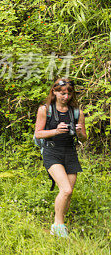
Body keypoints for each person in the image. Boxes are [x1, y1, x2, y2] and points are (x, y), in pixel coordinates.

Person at [34, 78, 87, 238]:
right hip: (51, 152)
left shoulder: (77, 112)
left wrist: (79, 133)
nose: (66, 97)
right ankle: (58, 225)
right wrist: (55, 131)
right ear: (55, 92)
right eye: (62, 93)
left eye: (69, 93)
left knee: (67, 193)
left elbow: (84, 138)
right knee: (66, 189)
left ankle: (60, 222)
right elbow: (38, 133)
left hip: (70, 152)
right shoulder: (45, 110)